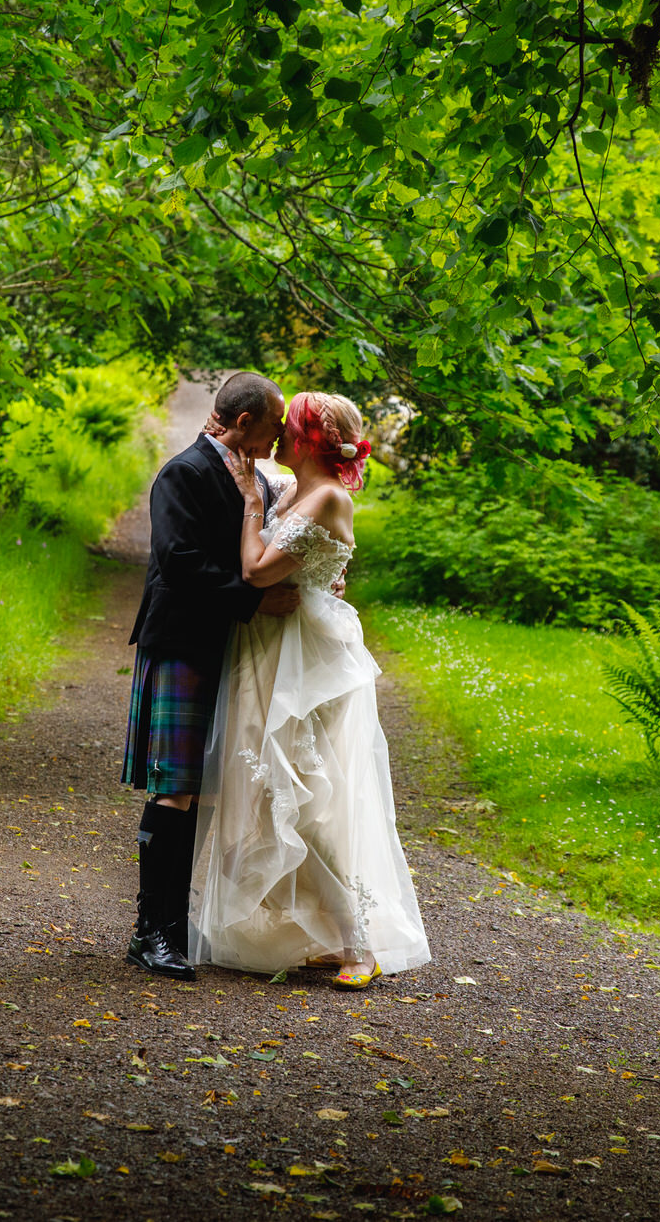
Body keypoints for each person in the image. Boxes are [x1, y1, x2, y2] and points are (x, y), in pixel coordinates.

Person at [192, 392, 431, 990]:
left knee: (300, 800)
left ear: (306, 439)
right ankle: (328, 934)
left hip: (304, 658)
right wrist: (229, 444)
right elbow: (250, 475)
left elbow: (256, 571)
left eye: (285, 428)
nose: (274, 438)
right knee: (271, 792)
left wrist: (251, 502)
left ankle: (358, 943)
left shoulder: (325, 496)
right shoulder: (293, 489)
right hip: (270, 651)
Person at [121, 372, 300, 981]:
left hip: (219, 644)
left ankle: (173, 925)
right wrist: (249, 602)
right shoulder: (185, 472)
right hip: (179, 641)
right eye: (274, 425)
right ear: (245, 421)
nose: (280, 435)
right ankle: (150, 933)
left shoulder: (250, 473)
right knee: (174, 786)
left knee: (196, 789)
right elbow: (178, 559)